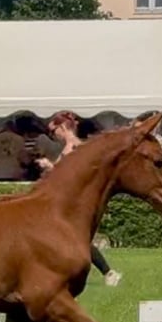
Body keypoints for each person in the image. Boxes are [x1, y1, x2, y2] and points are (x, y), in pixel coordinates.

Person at [40, 111, 123, 287]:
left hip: (69, 202)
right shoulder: (73, 147)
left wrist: (49, 166)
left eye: (54, 131)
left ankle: (107, 272)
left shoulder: (75, 148)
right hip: (66, 200)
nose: (54, 136)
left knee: (79, 240)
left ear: (63, 128)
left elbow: (69, 176)